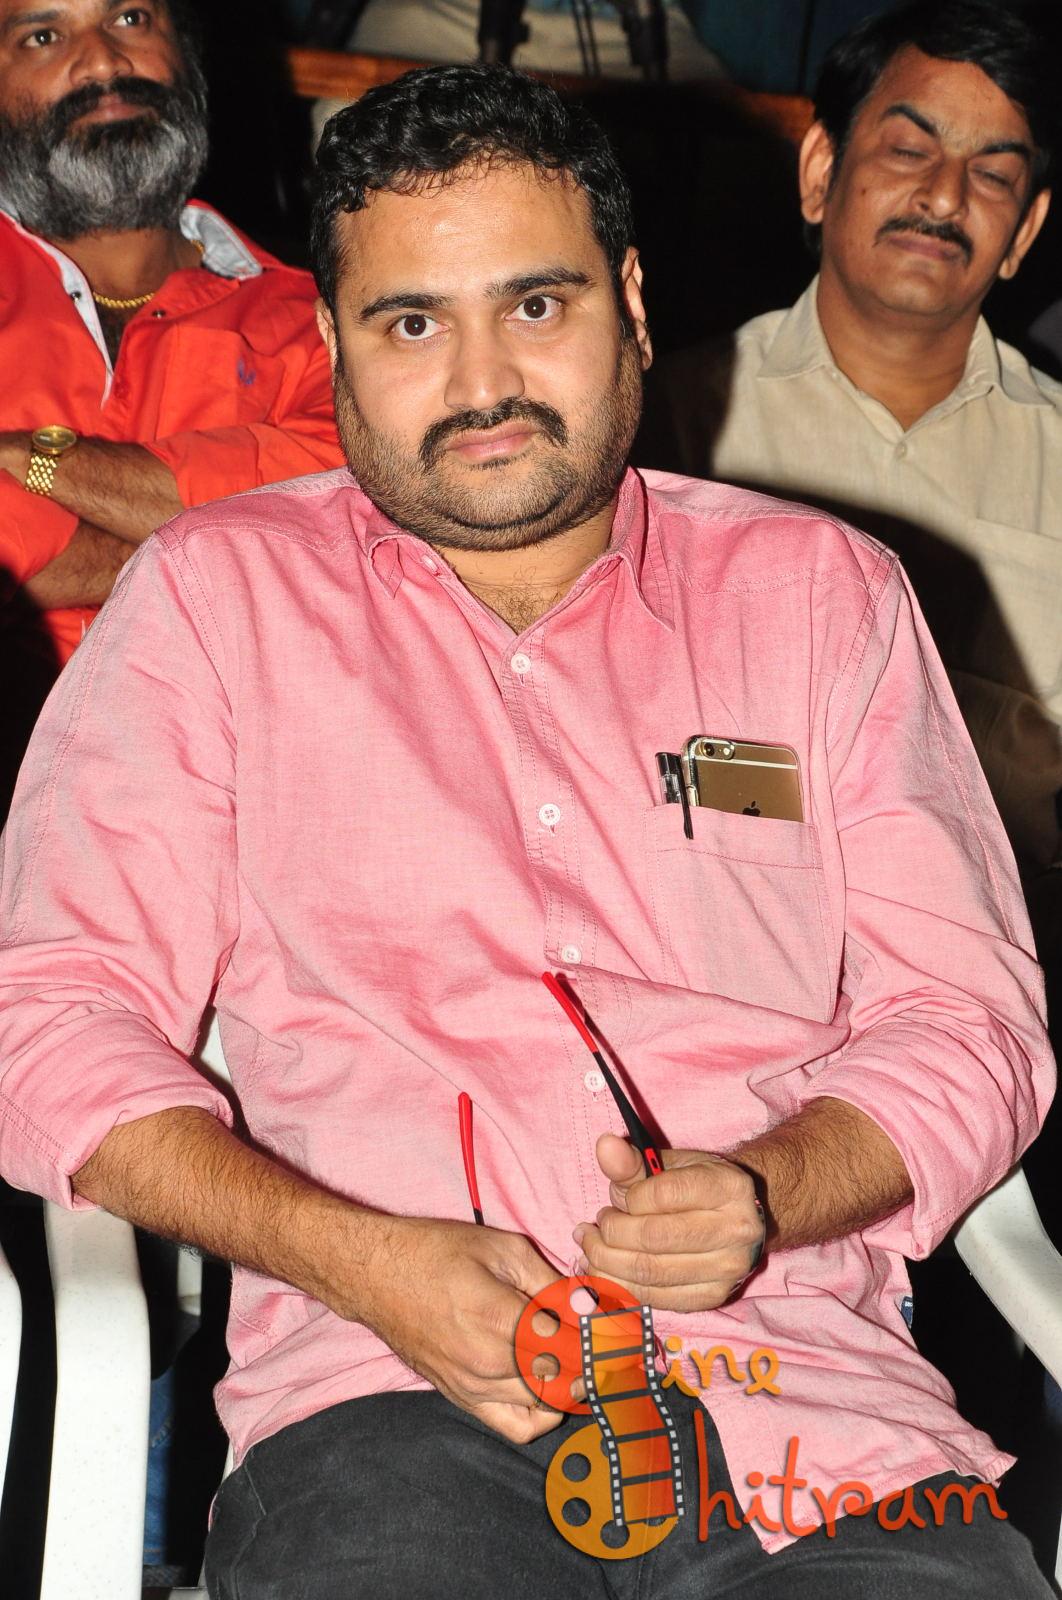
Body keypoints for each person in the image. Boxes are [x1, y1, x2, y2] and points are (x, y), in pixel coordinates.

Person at [0, 63, 1055, 1599]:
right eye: (410, 324)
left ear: (629, 303)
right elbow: (49, 1019)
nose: (480, 381)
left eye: (536, 305)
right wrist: (358, 1256)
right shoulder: (218, 601)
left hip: (813, 1411)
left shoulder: (820, 597)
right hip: (390, 1404)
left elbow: (965, 1023)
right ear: (333, 347)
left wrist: (768, 1189)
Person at [641, 0, 1062, 899]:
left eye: (993, 174)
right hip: (727, 924)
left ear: (1025, 231)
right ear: (820, 171)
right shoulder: (668, 428)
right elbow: (630, 751)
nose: (944, 198)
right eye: (909, 151)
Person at [0, 0, 341, 809]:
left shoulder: (321, 322)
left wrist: (35, 462)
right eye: (43, 35)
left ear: (188, 60)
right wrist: (214, 561)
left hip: (244, 810)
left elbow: (342, 519)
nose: (101, 60)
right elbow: (284, 544)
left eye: (130, 18)